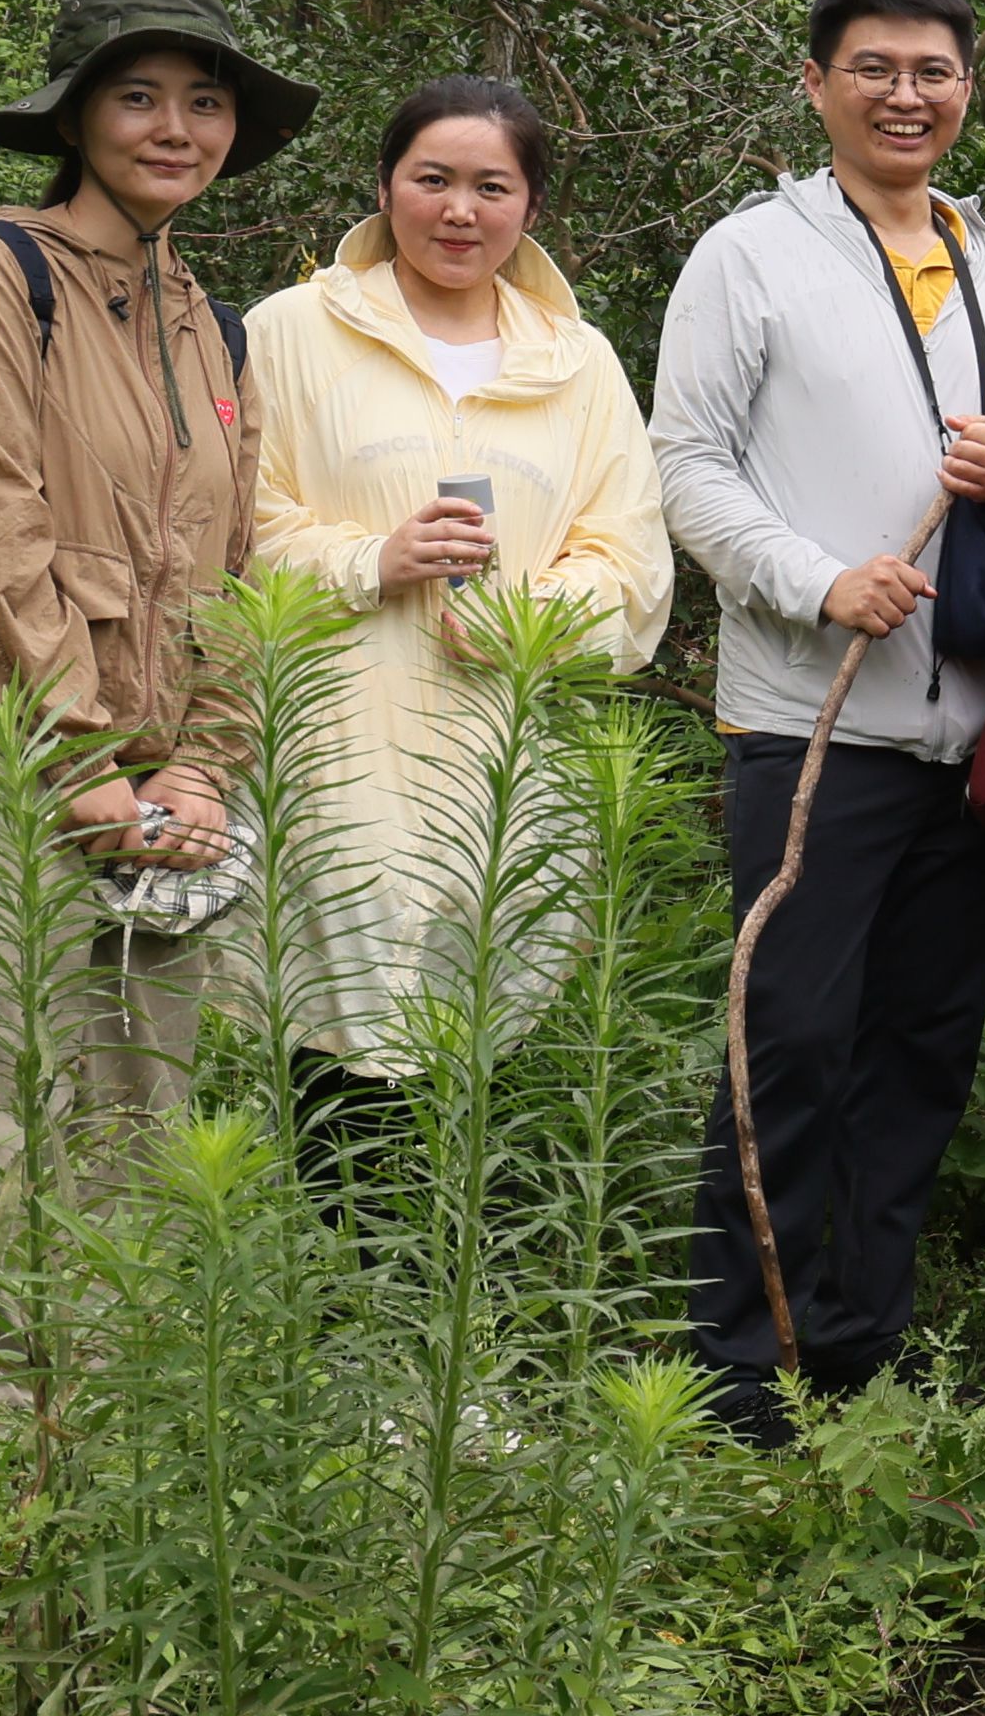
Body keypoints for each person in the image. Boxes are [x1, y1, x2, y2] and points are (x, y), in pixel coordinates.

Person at [0, 0, 307, 1404]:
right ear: (79, 115)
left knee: (131, 1107)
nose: (178, 128)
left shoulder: (207, 322)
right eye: (140, 95)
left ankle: (98, 1448)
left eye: (206, 101)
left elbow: (233, 562)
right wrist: (79, 763)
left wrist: (205, 764)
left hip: (146, 779)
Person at [651, 0, 985, 1437]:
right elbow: (688, 469)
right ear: (820, 85)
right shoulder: (750, 257)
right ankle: (734, 1373)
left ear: (970, 90)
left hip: (969, 741)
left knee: (921, 1046)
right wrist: (816, 577)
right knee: (791, 1039)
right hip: (811, 724)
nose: (908, 95)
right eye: (876, 69)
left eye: (936, 72)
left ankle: (855, 1347)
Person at [239, 77, 677, 1097]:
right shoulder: (289, 332)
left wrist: (526, 619)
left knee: (484, 1067)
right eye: (431, 179)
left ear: (531, 207)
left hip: (511, 760)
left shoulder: (578, 361)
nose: (459, 210)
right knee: (336, 1064)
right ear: (385, 187)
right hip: (329, 749)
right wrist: (369, 561)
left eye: (493, 186)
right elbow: (224, 530)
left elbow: (632, 561)